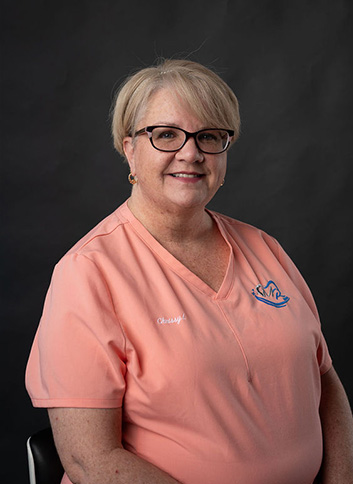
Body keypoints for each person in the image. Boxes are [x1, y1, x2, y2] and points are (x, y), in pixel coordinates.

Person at [26, 59, 353, 484]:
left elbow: (326, 382)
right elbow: (92, 460)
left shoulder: (264, 248)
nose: (191, 153)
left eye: (210, 136)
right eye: (165, 135)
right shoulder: (87, 273)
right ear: (129, 149)